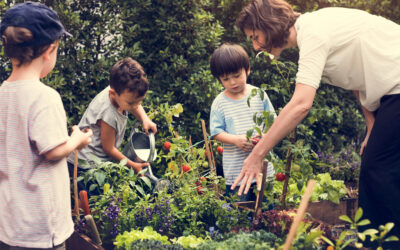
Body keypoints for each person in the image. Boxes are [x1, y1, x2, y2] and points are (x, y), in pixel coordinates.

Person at [232, 0, 400, 247]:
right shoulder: (314, 30)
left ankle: (381, 244)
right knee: (378, 167)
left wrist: (258, 154)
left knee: (378, 169)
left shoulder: (313, 32)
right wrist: (371, 125)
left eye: (255, 37)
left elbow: (301, 103)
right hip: (390, 94)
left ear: (269, 24)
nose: (256, 46)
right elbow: (356, 78)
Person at [0, 2, 93, 249]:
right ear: (49, 50)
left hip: (9, 223)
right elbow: (52, 151)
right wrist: (77, 140)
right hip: (40, 229)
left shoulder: (3, 94)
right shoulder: (44, 97)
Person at [67, 57, 157, 180]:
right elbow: (108, 148)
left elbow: (134, 102)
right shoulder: (108, 114)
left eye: (139, 101)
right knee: (94, 197)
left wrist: (144, 119)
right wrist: (132, 165)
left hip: (98, 161)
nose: (135, 106)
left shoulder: (120, 90)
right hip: (86, 165)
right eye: (131, 104)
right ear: (113, 94)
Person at [209, 43, 276, 201]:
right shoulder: (220, 103)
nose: (233, 82)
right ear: (219, 79)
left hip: (263, 169)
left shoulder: (259, 94)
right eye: (226, 79)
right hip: (236, 172)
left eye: (237, 76)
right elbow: (216, 132)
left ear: (247, 70)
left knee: (267, 210)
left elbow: (273, 122)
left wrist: (264, 138)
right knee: (240, 215)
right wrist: (236, 140)